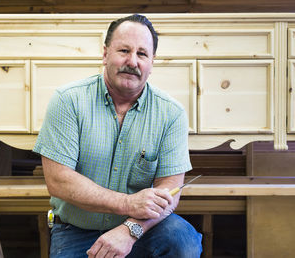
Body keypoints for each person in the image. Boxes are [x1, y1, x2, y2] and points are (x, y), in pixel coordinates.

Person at [33, 14, 203, 258]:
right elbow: (58, 180)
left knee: (182, 241)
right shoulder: (68, 101)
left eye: (142, 54)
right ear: (105, 54)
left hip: (142, 229)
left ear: (152, 63)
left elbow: (169, 191)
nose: (132, 61)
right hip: (76, 230)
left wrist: (130, 229)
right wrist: (128, 203)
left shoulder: (171, 113)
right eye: (124, 50)